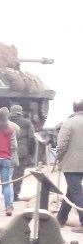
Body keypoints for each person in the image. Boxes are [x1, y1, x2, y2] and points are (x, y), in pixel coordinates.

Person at [55, 99, 83, 231]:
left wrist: (58, 158)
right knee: (71, 191)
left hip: (72, 163)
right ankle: (61, 218)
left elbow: (62, 145)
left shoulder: (69, 123)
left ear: (74, 109)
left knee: (76, 191)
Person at [8, 104, 35, 198]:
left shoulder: (6, 122)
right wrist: (30, 152)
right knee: (18, 173)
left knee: (6, 172)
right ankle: (14, 193)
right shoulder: (26, 123)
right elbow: (32, 138)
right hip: (22, 150)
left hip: (6, 149)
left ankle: (6, 191)